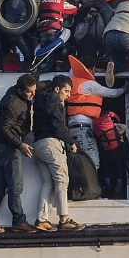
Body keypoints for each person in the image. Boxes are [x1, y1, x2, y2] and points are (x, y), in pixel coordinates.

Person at [0, 72, 40, 234]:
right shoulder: (11, 104)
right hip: (8, 147)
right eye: (29, 92)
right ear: (20, 90)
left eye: (34, 90)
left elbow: (38, 85)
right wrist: (20, 144)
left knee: (1, 183)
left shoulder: (24, 91)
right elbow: (3, 130)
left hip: (2, 147)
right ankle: (19, 221)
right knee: (16, 185)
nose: (33, 94)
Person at [32, 74, 85, 232]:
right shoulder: (55, 103)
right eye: (67, 91)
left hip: (38, 145)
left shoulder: (40, 100)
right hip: (51, 144)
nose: (68, 96)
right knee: (62, 180)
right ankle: (64, 219)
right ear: (57, 89)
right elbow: (58, 127)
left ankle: (41, 219)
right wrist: (72, 141)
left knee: (48, 182)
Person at [64, 56, 126, 169]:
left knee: (76, 164)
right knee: (93, 164)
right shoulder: (89, 84)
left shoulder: (71, 81)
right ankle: (89, 186)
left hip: (72, 129)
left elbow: (73, 70)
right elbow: (112, 94)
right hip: (83, 129)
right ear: (91, 69)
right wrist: (125, 88)